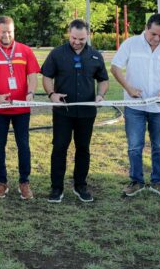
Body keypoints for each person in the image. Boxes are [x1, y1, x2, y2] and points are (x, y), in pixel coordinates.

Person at [111, 13, 160, 199]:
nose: (157, 39)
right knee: (135, 146)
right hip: (135, 107)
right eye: (153, 34)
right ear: (146, 28)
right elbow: (115, 67)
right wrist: (129, 88)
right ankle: (136, 181)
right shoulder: (130, 44)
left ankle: (158, 182)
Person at [41, 19, 109, 203]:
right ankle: (56, 188)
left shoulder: (95, 56)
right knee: (60, 147)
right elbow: (46, 76)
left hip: (86, 113)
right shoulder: (57, 54)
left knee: (83, 148)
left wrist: (100, 95)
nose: (77, 42)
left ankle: (81, 186)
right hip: (63, 112)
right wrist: (52, 94)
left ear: (88, 35)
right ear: (68, 33)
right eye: (74, 38)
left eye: (81, 39)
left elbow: (103, 80)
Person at [0, 16, 40, 200]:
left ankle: (24, 182)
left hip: (21, 109)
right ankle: (1, 183)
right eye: (3, 32)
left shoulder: (25, 50)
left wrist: (30, 93)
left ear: (14, 31)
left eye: (10, 32)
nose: (6, 35)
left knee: (23, 145)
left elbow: (33, 75)